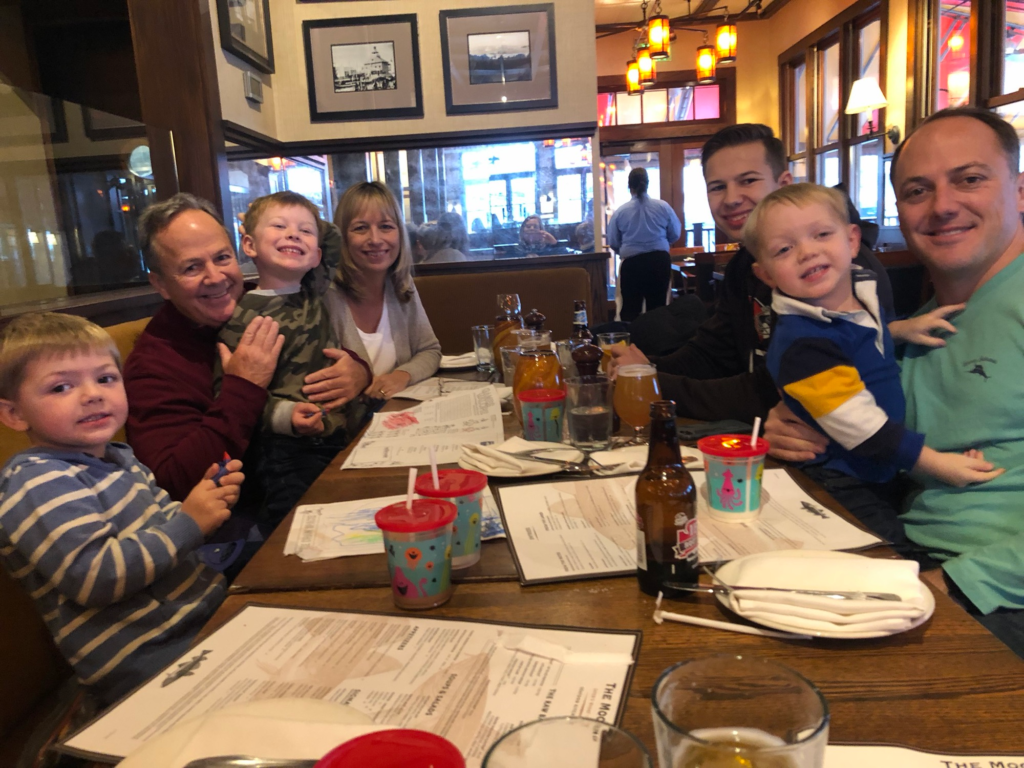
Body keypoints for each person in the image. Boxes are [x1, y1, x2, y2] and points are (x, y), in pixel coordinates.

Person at [765, 107, 1024, 657]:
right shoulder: (921, 317)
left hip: (990, 592)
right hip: (904, 552)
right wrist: (791, 419)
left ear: (1020, 190)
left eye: (970, 179)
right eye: (916, 190)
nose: (943, 205)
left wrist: (950, 585)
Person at [0, 313, 241, 704]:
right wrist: (191, 523)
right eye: (61, 387)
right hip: (150, 664)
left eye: (106, 378)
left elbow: (167, 531)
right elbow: (94, 576)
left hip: (203, 623)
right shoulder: (35, 481)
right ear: (15, 414)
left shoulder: (120, 458)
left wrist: (207, 506)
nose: (92, 394)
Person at [609, 124, 896, 424]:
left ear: (783, 183)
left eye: (748, 180)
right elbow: (713, 352)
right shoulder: (744, 264)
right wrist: (645, 368)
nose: (731, 198)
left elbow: (771, 391)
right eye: (718, 187)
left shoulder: (834, 267)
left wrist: (651, 380)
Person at [746, 183, 1001, 487]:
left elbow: (858, 341)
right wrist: (935, 464)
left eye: (822, 234)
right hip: (836, 475)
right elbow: (860, 425)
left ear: (852, 240)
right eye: (784, 249)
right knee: (882, 534)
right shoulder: (805, 344)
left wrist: (900, 330)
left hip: (877, 464)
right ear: (767, 275)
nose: (807, 251)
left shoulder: (859, 294)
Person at [124, 193, 371, 504]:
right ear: (160, 284)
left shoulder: (259, 301)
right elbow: (173, 482)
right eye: (191, 268)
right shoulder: (154, 364)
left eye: (222, 258)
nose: (215, 278)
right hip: (251, 514)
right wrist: (244, 387)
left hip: (331, 449)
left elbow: (310, 345)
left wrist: (358, 370)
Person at [217, 191, 371, 526]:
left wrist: (304, 221)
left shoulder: (313, 287)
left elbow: (331, 239)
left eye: (303, 231)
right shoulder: (244, 314)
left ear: (316, 255)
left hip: (342, 427)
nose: (292, 234)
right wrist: (284, 416)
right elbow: (226, 389)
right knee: (295, 526)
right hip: (287, 449)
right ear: (249, 245)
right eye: (279, 226)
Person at [324, 181, 441, 400]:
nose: (376, 240)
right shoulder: (325, 297)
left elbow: (430, 350)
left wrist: (402, 375)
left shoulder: (402, 285)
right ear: (343, 237)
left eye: (386, 226)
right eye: (360, 228)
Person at [606, 167, 682, 322]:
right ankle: (657, 344)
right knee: (658, 308)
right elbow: (675, 233)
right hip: (659, 261)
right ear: (647, 184)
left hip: (632, 263)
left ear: (629, 186)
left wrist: (625, 249)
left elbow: (613, 241)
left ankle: (630, 343)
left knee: (629, 309)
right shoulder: (663, 207)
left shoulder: (620, 212)